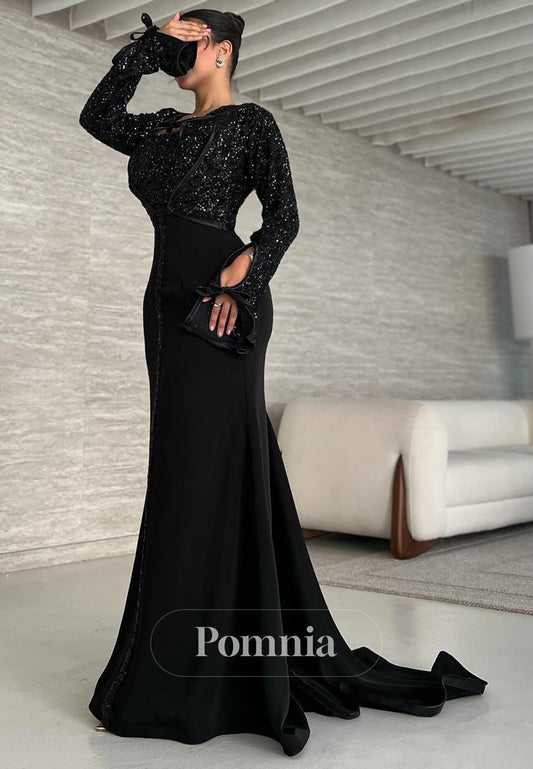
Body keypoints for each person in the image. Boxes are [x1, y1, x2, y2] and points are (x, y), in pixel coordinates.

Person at [79, 9, 488, 757]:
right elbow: (97, 117)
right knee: (182, 472)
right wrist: (144, 49)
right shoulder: (161, 130)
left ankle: (186, 672)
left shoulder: (252, 125)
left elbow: (284, 215)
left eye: (189, 38)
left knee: (202, 471)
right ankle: (183, 655)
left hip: (222, 305)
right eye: (169, 37)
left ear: (222, 50)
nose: (175, 50)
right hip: (165, 309)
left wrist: (248, 270)